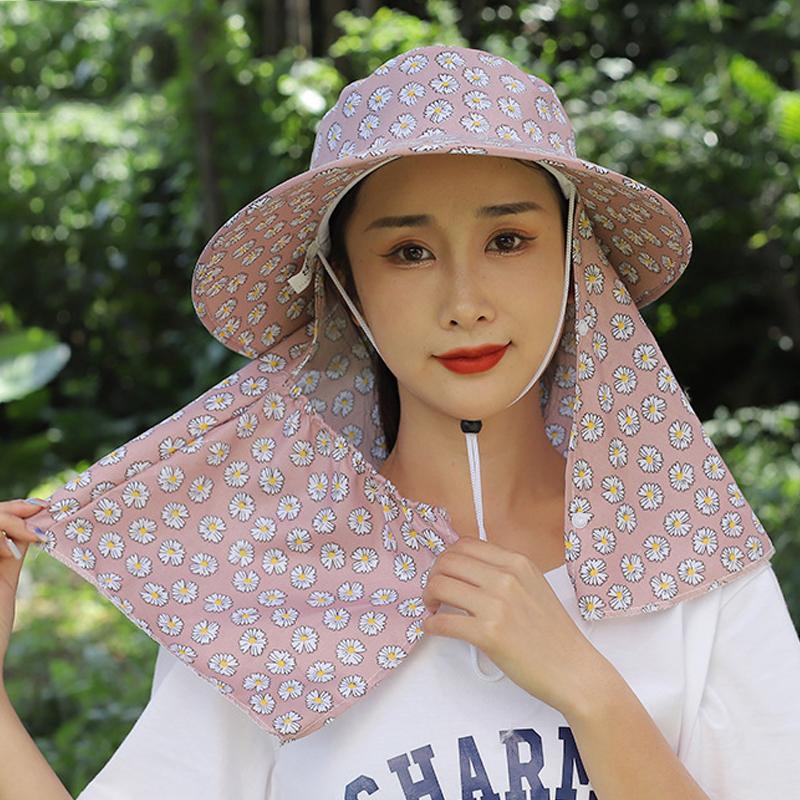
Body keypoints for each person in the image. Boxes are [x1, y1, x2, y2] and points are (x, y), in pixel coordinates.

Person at [2, 43, 799, 799]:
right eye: (409, 252)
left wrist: (590, 691)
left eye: (508, 240)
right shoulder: (262, 578)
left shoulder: (694, 563)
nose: (465, 303)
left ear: (573, 259)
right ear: (345, 282)